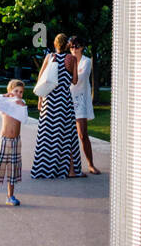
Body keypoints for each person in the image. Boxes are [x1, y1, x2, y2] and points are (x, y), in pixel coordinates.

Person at [31, 34, 81, 179]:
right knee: (66, 136)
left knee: (46, 135)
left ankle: (44, 169)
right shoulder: (71, 59)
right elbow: (75, 81)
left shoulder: (49, 57)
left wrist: (40, 99)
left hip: (49, 100)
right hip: (64, 102)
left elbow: (41, 78)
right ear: (67, 45)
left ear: (55, 44)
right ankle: (68, 170)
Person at [0, 80, 31, 206]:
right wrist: (4, 96)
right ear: (10, 90)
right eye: (16, 91)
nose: (19, 94)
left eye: (21, 92)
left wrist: (22, 106)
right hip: (4, 140)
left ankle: (10, 196)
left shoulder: (22, 104)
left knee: (13, 168)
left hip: (16, 141)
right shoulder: (4, 103)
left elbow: (25, 119)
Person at [68, 37, 99, 175]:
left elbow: (78, 79)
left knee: (82, 134)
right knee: (68, 135)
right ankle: (70, 166)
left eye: (76, 46)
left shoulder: (86, 61)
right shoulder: (67, 60)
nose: (74, 49)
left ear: (81, 47)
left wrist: (70, 73)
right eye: (71, 47)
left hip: (80, 101)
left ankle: (91, 164)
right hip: (68, 99)